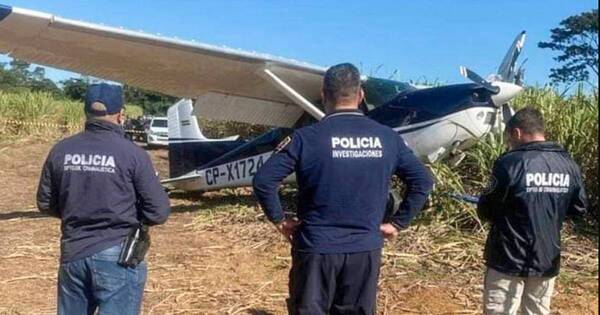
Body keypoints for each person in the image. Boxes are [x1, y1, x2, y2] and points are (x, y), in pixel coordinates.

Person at [253, 63, 434, 314]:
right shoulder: (387, 138)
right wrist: (397, 223)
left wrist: (280, 220)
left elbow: (264, 180)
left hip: (316, 249)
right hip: (364, 249)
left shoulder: (306, 138)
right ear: (361, 95)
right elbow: (422, 181)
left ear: (324, 95)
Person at [36, 83, 171, 315]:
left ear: (86, 112)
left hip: (73, 254)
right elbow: (158, 212)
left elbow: (45, 202)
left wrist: (77, 211)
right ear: (121, 114)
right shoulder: (133, 154)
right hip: (118, 254)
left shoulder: (61, 150)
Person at [477, 107, 587, 315]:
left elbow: (486, 209)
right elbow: (578, 209)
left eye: (509, 137)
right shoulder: (569, 165)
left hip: (507, 258)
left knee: (499, 311)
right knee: (537, 311)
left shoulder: (508, 163)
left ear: (516, 133)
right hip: (546, 257)